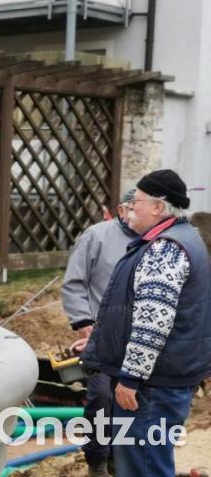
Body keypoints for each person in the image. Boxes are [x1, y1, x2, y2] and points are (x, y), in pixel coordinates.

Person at [82, 169, 211, 477]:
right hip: (167, 378)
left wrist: (130, 379)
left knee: (143, 466)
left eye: (135, 202)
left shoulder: (165, 248)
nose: (128, 209)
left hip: (153, 386)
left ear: (157, 207)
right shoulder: (184, 238)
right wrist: (100, 340)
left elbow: (154, 322)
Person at [63, 189, 136, 477]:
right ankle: (97, 461)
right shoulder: (96, 236)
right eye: (130, 208)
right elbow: (74, 283)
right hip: (100, 339)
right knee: (102, 396)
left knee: (131, 400)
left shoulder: (156, 240)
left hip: (138, 340)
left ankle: (122, 464)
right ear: (121, 209)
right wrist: (84, 323)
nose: (134, 215)